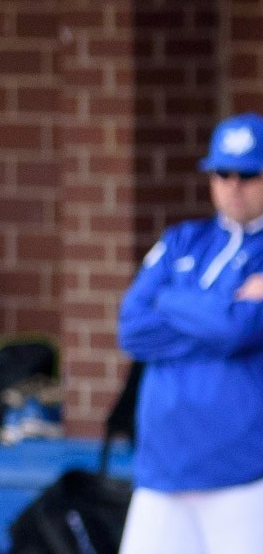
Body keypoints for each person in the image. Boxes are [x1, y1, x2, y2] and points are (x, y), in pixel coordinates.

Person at [116, 112, 263, 554]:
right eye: (222, 173)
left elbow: (239, 331)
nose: (233, 185)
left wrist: (173, 299)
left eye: (249, 174)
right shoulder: (183, 240)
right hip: (162, 468)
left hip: (240, 468)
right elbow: (132, 327)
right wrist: (220, 308)